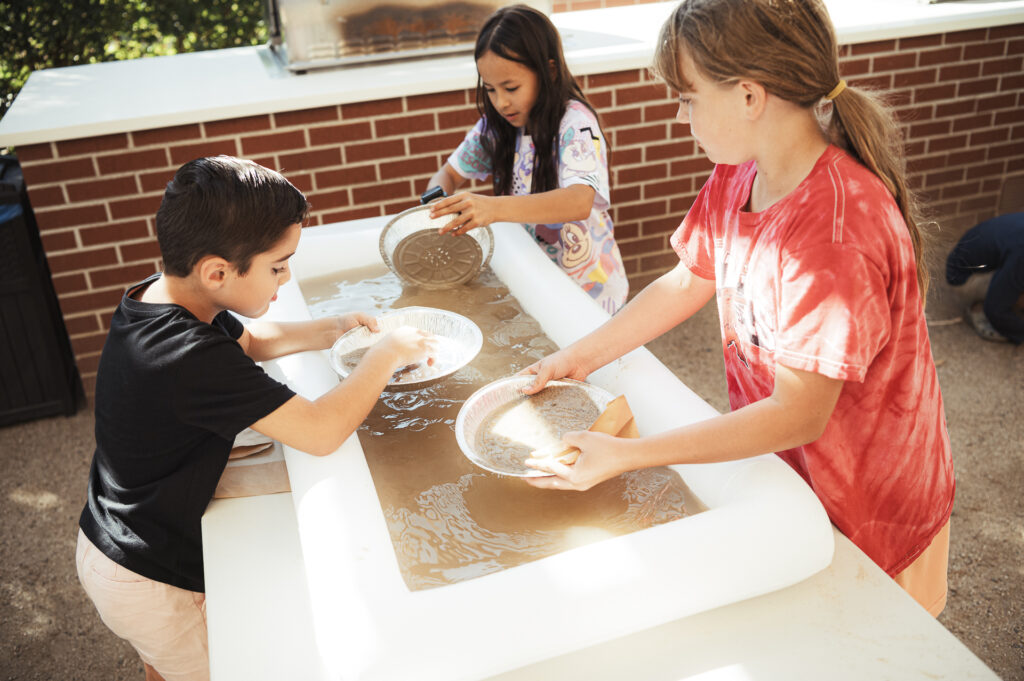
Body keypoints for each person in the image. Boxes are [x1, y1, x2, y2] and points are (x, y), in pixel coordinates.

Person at [519, 0, 955, 617]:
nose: (679, 114)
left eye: (688, 96)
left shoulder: (835, 233)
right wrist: (576, 358)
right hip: (798, 482)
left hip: (874, 505)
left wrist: (628, 455)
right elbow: (686, 279)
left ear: (749, 96)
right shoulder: (739, 174)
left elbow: (797, 414)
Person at [76, 156, 437, 681]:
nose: (286, 276)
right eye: (278, 266)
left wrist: (333, 327)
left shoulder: (164, 298)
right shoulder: (187, 355)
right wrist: (387, 353)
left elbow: (250, 342)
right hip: (149, 579)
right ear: (217, 271)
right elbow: (320, 431)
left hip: (113, 539)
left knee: (161, 665)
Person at [424, 4, 629, 313]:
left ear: (548, 71)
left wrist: (491, 208)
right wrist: (437, 205)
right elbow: (448, 175)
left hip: (591, 290)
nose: (501, 102)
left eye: (511, 87)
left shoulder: (575, 123)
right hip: (535, 283)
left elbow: (579, 201)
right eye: (491, 89)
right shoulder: (495, 128)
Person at [945, 212, 1024, 343]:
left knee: (1015, 276)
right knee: (1004, 299)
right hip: (962, 277)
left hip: (982, 256)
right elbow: (995, 309)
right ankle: (978, 310)